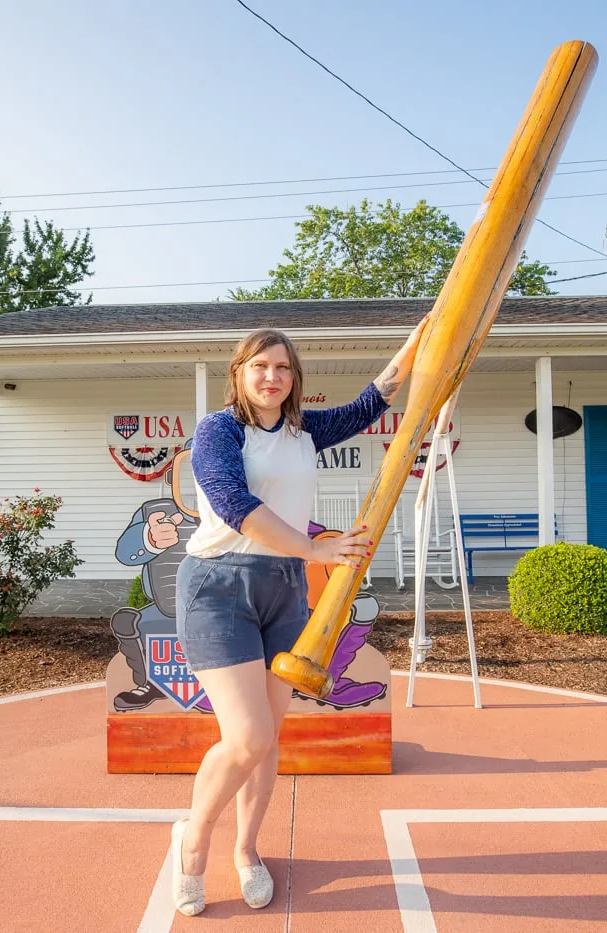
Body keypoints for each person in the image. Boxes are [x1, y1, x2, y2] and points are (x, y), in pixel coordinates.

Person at [170, 315, 430, 915]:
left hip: (283, 588)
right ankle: (194, 843)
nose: (272, 375)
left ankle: (246, 851)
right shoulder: (217, 430)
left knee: (268, 741)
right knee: (247, 734)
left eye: (283, 367)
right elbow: (235, 505)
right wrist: (314, 548)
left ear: (295, 377)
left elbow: (371, 402)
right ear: (240, 372)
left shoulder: (304, 430)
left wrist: (418, 341)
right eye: (260, 365)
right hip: (218, 586)